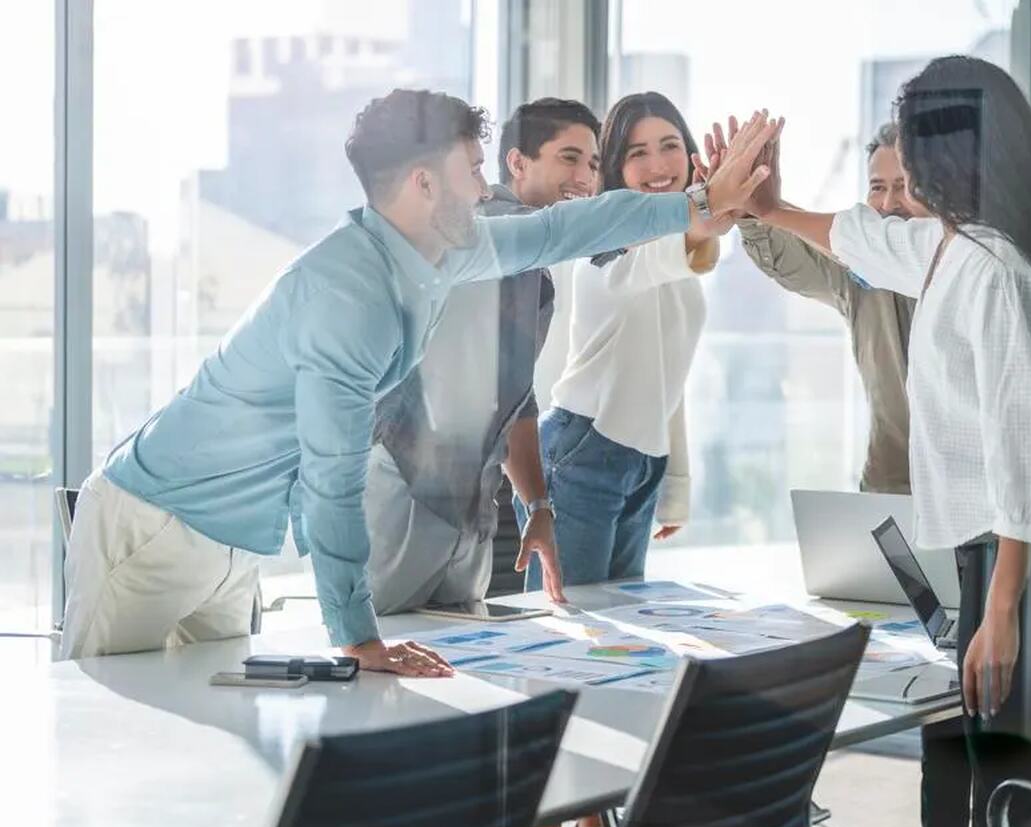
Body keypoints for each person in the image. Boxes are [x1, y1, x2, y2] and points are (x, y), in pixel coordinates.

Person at [59, 88, 778, 677]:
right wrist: (360, 640)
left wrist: (697, 204)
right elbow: (334, 478)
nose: (485, 184)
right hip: (154, 524)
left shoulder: (439, 252)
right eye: (472, 168)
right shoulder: (349, 295)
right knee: (102, 732)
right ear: (424, 184)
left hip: (232, 538)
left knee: (208, 727)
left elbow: (565, 231)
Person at [737, 56, 1031, 827]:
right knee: (975, 761)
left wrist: (1003, 609)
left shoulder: (992, 274)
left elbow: (1024, 455)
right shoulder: (956, 250)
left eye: (909, 156)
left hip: (1023, 562)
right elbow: (862, 240)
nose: (898, 179)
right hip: (992, 554)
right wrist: (772, 207)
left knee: (1009, 777)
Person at [714, 120, 970, 827]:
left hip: (974, 512)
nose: (888, 205)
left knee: (958, 696)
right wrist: (766, 200)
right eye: (877, 189)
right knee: (883, 672)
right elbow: (782, 256)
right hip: (888, 502)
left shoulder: (967, 271)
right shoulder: (861, 272)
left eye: (905, 189)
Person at [363, 97, 602, 618]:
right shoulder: (486, 229)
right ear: (517, 163)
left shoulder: (530, 264)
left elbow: (512, 394)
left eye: (593, 163)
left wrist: (537, 504)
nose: (585, 177)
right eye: (569, 158)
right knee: (380, 650)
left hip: (471, 497)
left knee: (454, 656)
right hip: (409, 483)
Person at [516, 92, 730, 592]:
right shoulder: (602, 243)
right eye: (637, 153)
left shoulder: (677, 262)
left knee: (618, 628)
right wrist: (715, 199)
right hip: (584, 449)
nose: (658, 165)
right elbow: (688, 241)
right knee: (565, 633)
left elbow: (666, 380)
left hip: (641, 462)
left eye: (670, 145)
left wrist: (670, 484)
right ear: (615, 167)